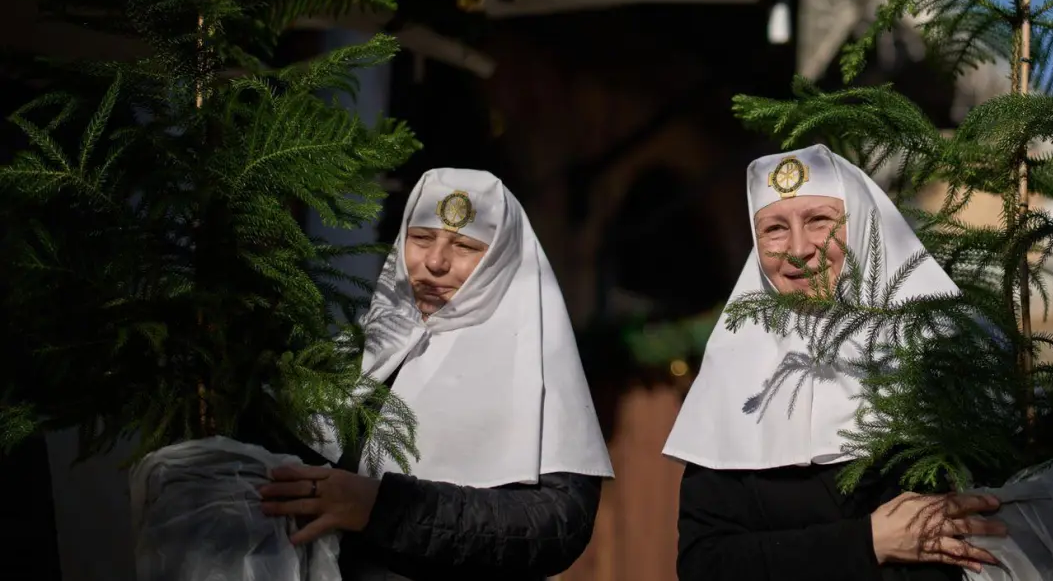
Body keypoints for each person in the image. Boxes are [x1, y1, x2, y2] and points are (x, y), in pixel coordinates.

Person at [665, 144, 1007, 581]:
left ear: (862, 223)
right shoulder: (735, 375)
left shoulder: (942, 349)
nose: (798, 249)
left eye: (819, 221)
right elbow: (705, 564)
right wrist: (867, 542)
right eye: (774, 229)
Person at [257, 168, 614, 580]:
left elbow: (557, 524)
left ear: (502, 258)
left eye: (464, 245)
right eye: (422, 238)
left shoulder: (535, 367)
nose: (434, 262)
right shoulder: (360, 350)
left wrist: (383, 507)